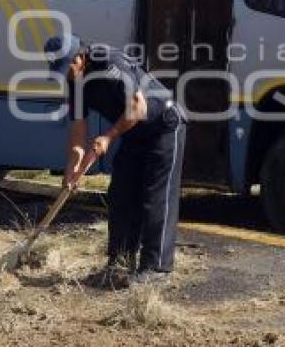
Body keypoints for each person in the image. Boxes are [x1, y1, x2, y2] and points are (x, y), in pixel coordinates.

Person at [44, 35, 186, 287]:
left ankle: (156, 269)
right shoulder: (75, 82)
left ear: (80, 57)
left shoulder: (110, 62)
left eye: (67, 67)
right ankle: (118, 265)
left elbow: (137, 108)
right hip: (134, 133)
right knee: (121, 194)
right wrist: (73, 167)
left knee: (155, 197)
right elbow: (78, 129)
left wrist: (108, 137)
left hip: (163, 124)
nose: (65, 75)